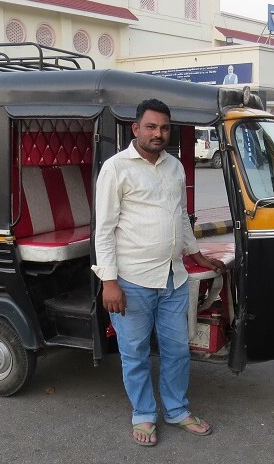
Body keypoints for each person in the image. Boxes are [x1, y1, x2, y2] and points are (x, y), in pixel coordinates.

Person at [94, 98, 225, 447]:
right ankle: (143, 414)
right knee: (134, 352)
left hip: (174, 277)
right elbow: (104, 229)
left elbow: (180, 216)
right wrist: (109, 281)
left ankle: (177, 410)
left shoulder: (174, 167)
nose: (158, 133)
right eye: (151, 127)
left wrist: (197, 253)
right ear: (135, 129)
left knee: (177, 350)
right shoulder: (116, 168)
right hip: (132, 280)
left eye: (164, 128)